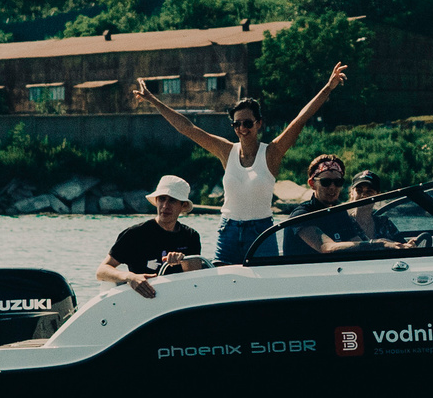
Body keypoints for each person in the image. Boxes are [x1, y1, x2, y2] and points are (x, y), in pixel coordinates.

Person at [136, 62, 348, 264]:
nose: (242, 128)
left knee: (264, 284)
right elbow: (187, 128)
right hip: (228, 231)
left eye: (247, 123)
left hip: (261, 233)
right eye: (237, 124)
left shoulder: (271, 153)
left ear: (259, 123)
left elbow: (300, 119)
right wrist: (152, 100)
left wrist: (328, 87)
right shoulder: (226, 151)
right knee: (223, 282)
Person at [96, 175, 203, 299]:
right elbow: (102, 271)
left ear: (182, 206)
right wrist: (130, 277)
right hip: (143, 300)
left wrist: (183, 261)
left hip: (179, 299)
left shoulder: (190, 236)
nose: (165, 206)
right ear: (156, 201)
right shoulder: (135, 234)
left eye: (172, 200)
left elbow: (195, 279)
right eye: (162, 199)